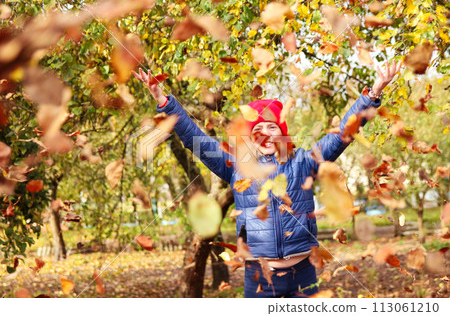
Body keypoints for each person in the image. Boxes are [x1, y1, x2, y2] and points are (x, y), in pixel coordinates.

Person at [133, 59, 401, 297]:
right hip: (259, 277)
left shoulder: (304, 161)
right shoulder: (236, 167)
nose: (265, 133)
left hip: (304, 275)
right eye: (258, 128)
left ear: (282, 133)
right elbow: (196, 139)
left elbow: (343, 132)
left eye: (272, 126)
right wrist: (163, 100)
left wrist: (374, 92)